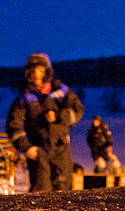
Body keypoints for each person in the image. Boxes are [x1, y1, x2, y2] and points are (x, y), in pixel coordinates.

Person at [6, 53, 84, 192]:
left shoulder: (61, 90)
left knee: (64, 191)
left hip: (61, 149)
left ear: (47, 72)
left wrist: (59, 116)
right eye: (33, 71)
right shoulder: (24, 97)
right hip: (39, 152)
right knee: (41, 192)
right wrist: (27, 148)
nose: (37, 75)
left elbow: (78, 110)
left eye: (41, 70)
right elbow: (14, 126)